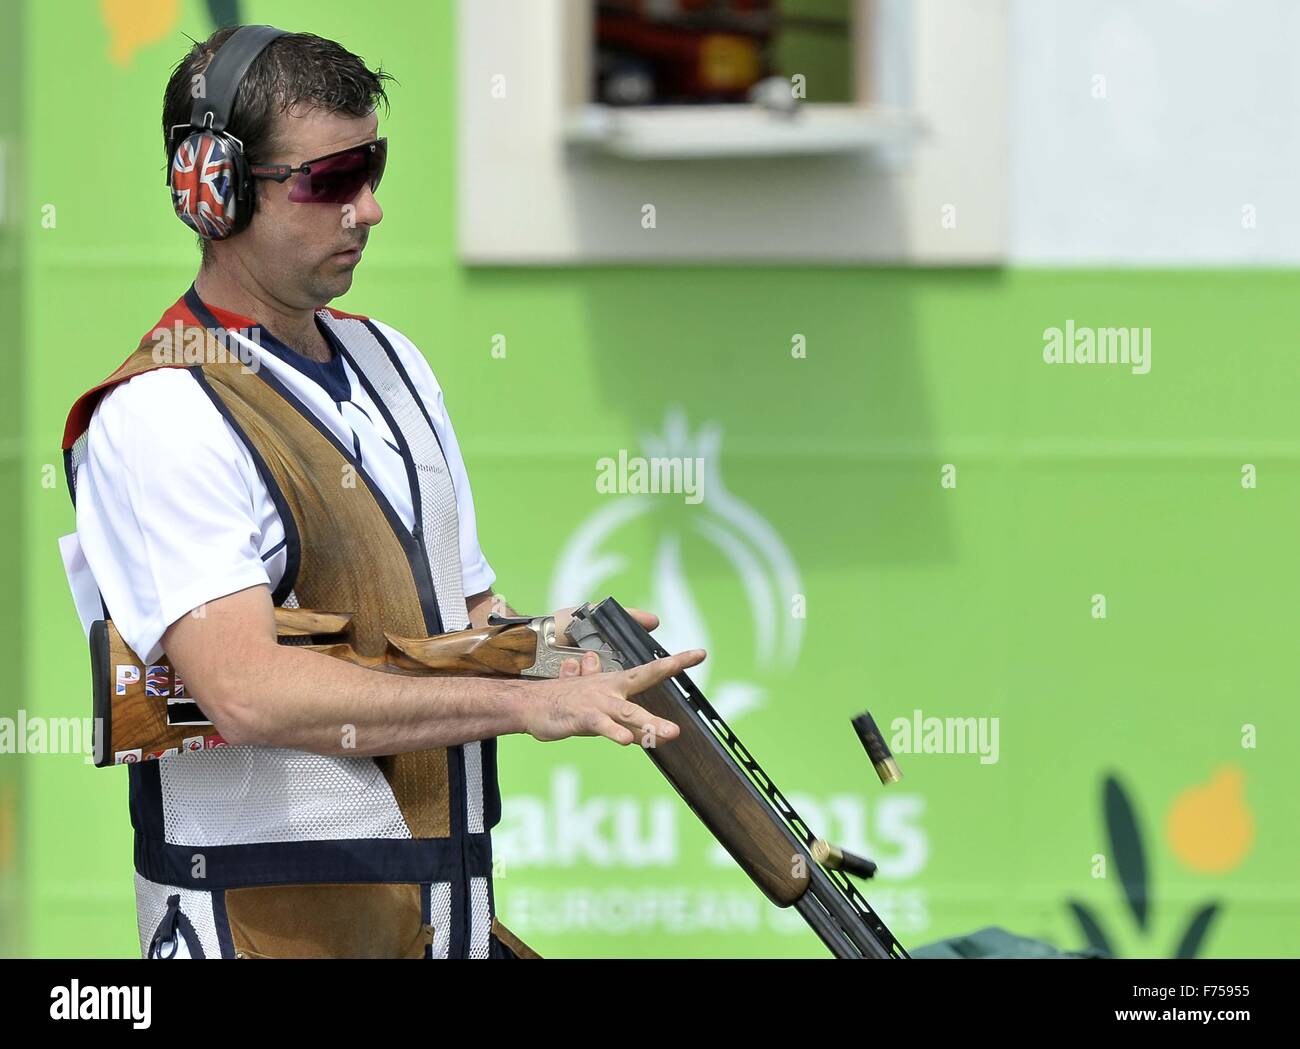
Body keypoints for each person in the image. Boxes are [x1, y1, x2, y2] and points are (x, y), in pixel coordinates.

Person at [57, 25, 703, 959]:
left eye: (375, 168)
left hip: (435, 916)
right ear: (215, 192)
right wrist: (523, 703)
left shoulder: (392, 362)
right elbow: (246, 691)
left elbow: (459, 619)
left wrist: (546, 650)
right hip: (264, 931)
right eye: (330, 181)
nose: (370, 208)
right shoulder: (160, 412)